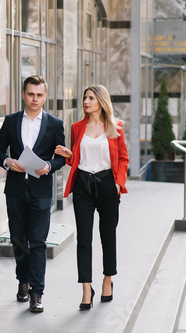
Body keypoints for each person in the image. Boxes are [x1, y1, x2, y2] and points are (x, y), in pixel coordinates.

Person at [0, 75, 66, 312]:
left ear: (45, 96)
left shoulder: (55, 124)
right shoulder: (11, 121)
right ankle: (22, 282)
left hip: (41, 191)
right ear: (23, 95)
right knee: (18, 240)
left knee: (38, 243)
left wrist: (48, 166)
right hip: (15, 190)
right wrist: (7, 161)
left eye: (39, 94)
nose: (35, 98)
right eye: (31, 94)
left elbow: (61, 158)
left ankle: (37, 293)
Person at [54, 84, 129, 310]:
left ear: (101, 101)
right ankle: (87, 288)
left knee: (108, 236)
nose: (86, 102)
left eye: (91, 98)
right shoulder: (77, 127)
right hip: (83, 187)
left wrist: (117, 184)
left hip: (107, 186)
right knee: (84, 239)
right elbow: (77, 158)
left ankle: (108, 280)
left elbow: (123, 159)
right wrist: (69, 155)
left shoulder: (116, 128)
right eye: (85, 98)